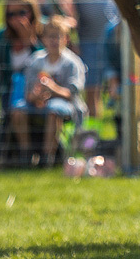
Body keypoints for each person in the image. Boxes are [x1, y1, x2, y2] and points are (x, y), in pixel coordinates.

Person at [58, 0, 115, 117]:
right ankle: (94, 125)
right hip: (87, 37)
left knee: (117, 81)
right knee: (92, 85)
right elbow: (61, 1)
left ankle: (116, 122)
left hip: (113, 37)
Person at [16, 16, 84, 168]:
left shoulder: (73, 63)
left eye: (58, 36)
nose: (54, 41)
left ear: (66, 39)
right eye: (50, 37)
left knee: (54, 109)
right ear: (43, 39)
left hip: (66, 105)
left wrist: (52, 88)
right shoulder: (36, 61)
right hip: (37, 102)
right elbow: (27, 93)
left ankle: (48, 157)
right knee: (18, 110)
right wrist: (36, 96)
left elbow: (72, 94)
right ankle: (25, 155)